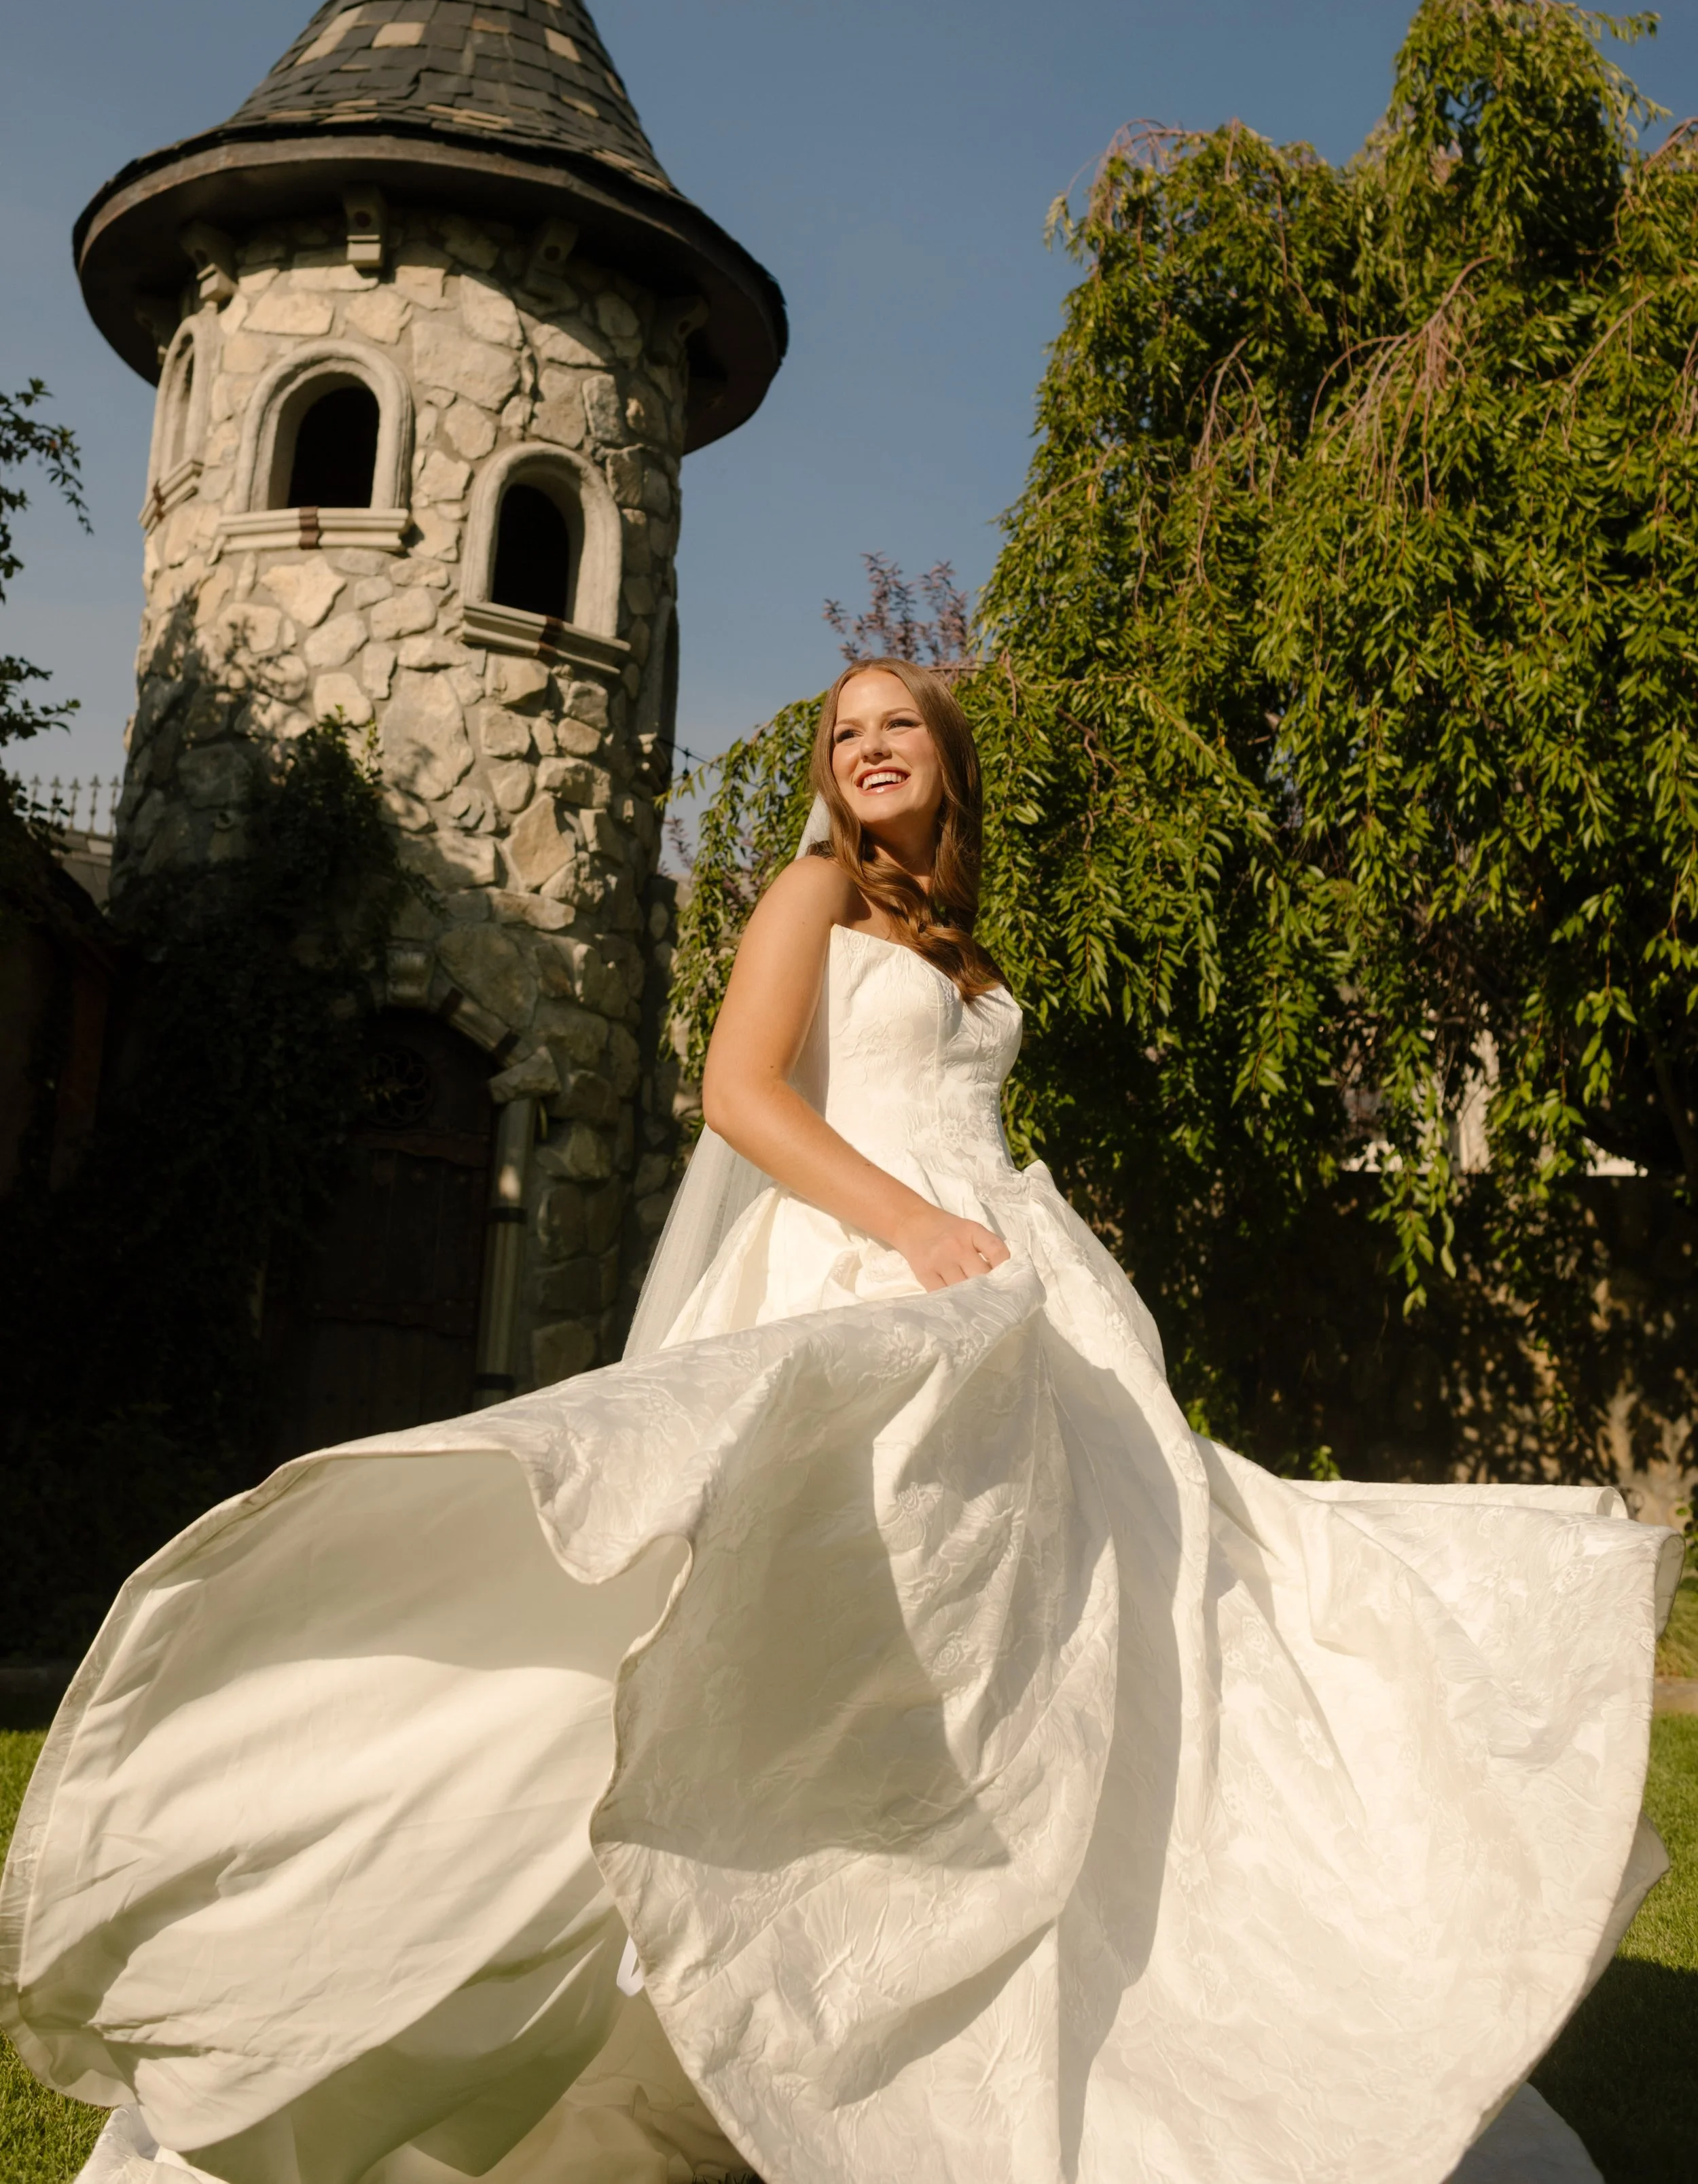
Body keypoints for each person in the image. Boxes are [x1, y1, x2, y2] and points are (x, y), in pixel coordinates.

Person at [0, 661, 1681, 2184]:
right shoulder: (804, 890)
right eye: (841, 733)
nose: (868, 750)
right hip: (867, 1265)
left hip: (1007, 1294)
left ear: (946, 766)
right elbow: (740, 1096)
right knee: (817, 1603)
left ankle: (995, 1953)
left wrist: (993, 1235)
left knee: (1063, 1636)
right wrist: (910, 1228)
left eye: (898, 729)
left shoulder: (962, 942)